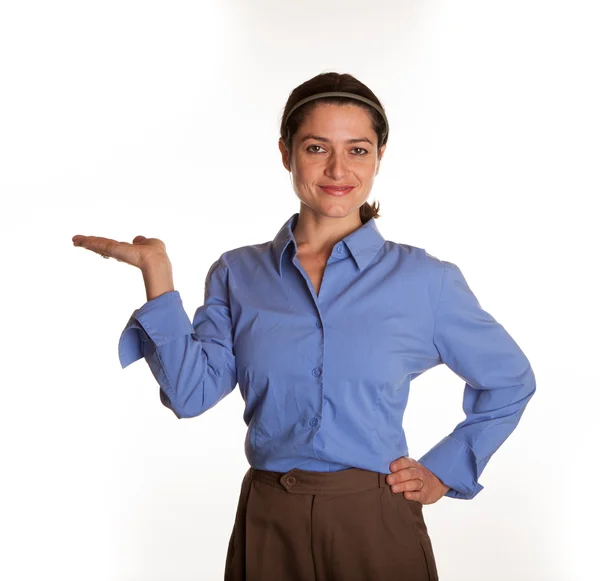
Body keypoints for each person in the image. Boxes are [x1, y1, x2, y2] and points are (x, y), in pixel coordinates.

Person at [72, 71, 536, 581]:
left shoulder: (426, 282)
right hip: (271, 522)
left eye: (357, 150)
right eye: (317, 147)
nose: (338, 168)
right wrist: (157, 278)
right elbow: (191, 395)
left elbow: (510, 380)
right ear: (286, 153)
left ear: (380, 155)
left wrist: (445, 472)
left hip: (375, 522)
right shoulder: (237, 274)